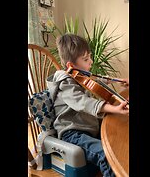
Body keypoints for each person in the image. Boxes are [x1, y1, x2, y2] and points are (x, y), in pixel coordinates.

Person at [46, 34, 129, 177]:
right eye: (85, 59)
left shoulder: (80, 76)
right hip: (72, 133)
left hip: (88, 127)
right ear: (70, 66)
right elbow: (83, 102)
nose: (91, 61)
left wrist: (118, 80)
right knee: (107, 155)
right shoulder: (65, 84)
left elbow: (96, 79)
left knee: (119, 137)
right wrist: (114, 108)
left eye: (89, 57)